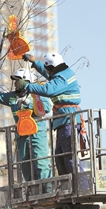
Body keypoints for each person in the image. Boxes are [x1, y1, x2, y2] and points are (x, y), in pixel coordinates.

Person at [16, 52, 89, 190]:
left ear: (53, 68)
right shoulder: (61, 73)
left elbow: (48, 89)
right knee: (60, 157)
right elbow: (48, 74)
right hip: (63, 121)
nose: (47, 72)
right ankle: (67, 186)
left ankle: (82, 186)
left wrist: (27, 86)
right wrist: (34, 61)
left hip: (69, 120)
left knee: (69, 156)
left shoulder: (62, 78)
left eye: (48, 69)